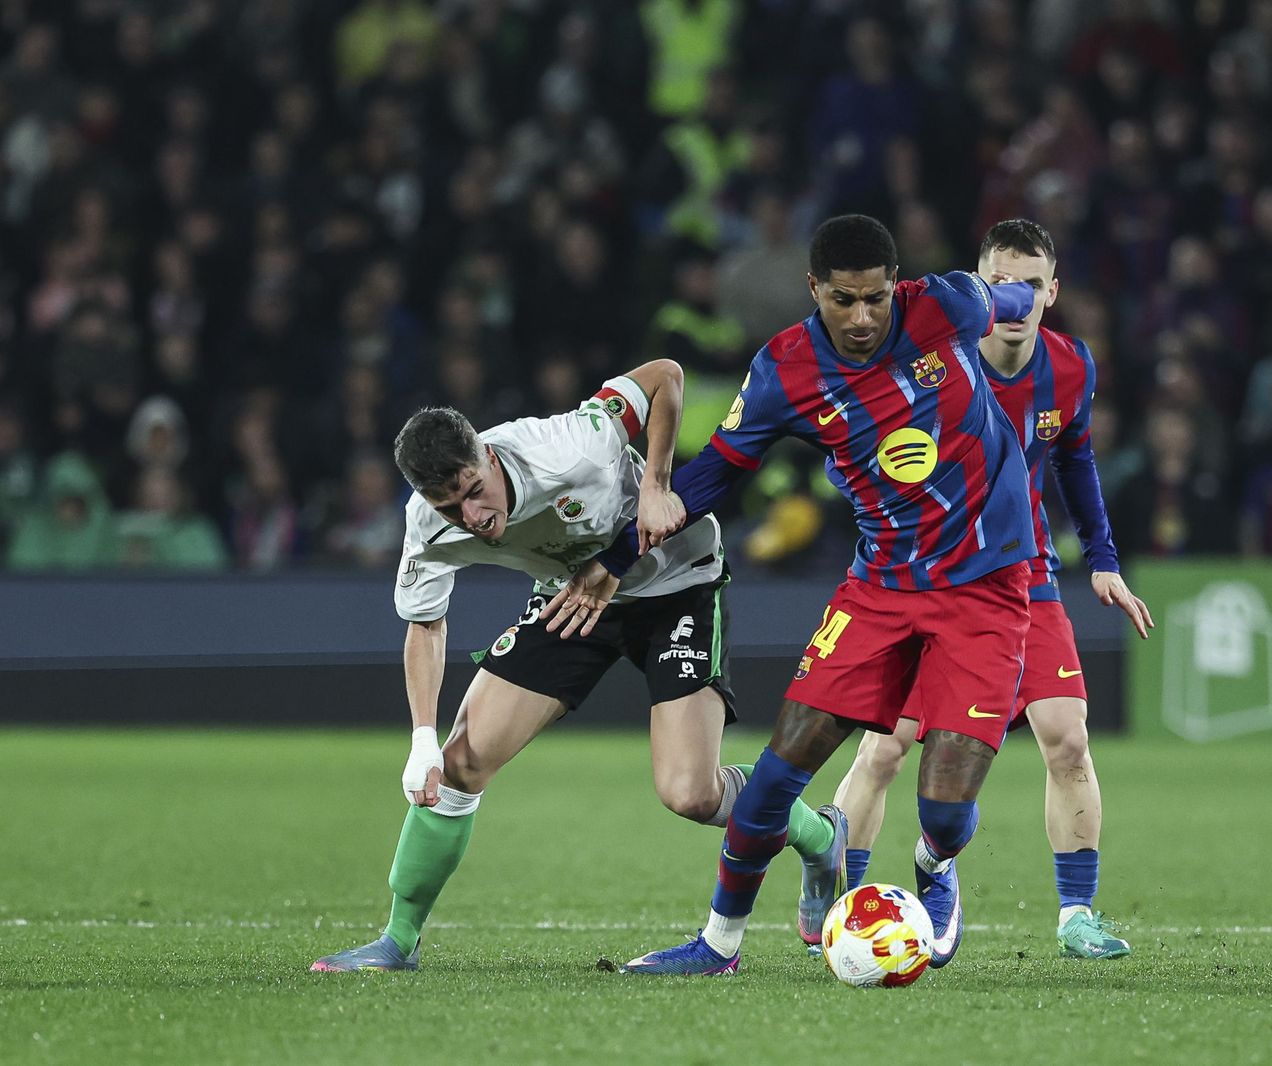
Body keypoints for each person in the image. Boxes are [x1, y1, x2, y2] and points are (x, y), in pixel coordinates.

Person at [542, 214, 1040, 975]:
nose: (865, 317)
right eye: (845, 300)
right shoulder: (784, 370)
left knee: (944, 807)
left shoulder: (946, 306)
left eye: (876, 299)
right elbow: (717, 470)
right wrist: (618, 552)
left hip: (988, 586)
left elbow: (1006, 301)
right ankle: (718, 944)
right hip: (879, 590)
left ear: (895, 285)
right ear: (814, 289)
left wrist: (1022, 301)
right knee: (775, 778)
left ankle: (936, 866)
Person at [309, 359, 843, 972]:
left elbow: (664, 376)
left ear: (485, 452)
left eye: (474, 491)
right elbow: (425, 623)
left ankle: (819, 836)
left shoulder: (569, 447)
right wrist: (421, 740)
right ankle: (398, 940)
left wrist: (656, 482)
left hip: (678, 584)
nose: (474, 518)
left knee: (691, 793)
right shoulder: (428, 525)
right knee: (458, 762)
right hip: (573, 598)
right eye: (451, 507)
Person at [830, 219, 1153, 960]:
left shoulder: (1072, 367)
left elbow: (1075, 458)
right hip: (929, 577)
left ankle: (1075, 915)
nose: (1017, 299)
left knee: (1067, 739)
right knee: (884, 752)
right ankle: (845, 905)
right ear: (979, 289)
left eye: (1032, 285)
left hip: (1024, 578)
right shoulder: (929, 361)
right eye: (1000, 284)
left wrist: (1102, 557)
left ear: (1053, 291)